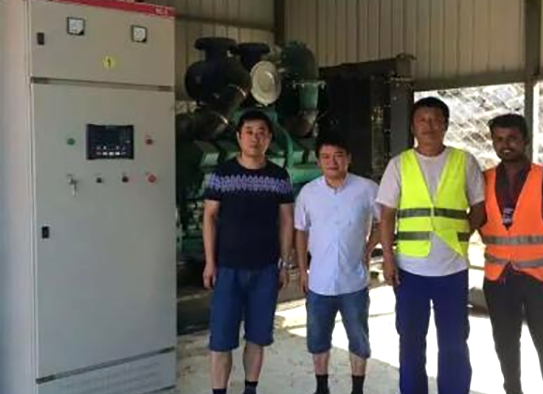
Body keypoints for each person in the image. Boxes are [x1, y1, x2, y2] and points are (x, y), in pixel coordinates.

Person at [377, 96, 485, 394]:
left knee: (454, 341)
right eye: (422, 120)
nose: (429, 125)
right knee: (411, 341)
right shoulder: (399, 164)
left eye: (436, 120)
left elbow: (479, 208)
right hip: (410, 271)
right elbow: (386, 215)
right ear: (413, 126)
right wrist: (388, 259)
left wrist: (459, 235)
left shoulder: (464, 161)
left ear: (446, 125)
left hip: (452, 269)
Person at [202, 110, 294, 394]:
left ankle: (250, 389)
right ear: (239, 137)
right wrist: (210, 263)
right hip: (227, 269)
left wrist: (284, 264)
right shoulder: (222, 174)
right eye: (249, 132)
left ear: (269, 139)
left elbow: (287, 221)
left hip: (265, 270)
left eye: (261, 132)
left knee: (257, 337)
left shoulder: (279, 177)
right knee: (221, 341)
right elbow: (209, 217)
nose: (255, 138)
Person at [480, 113, 543, 394]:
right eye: (499, 139)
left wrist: (537, 251)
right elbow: (480, 221)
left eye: (512, 138)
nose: (505, 144)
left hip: (538, 279)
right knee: (505, 346)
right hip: (498, 279)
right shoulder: (485, 179)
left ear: (525, 140)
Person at [295, 132, 380, 394]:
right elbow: (301, 231)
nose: (332, 162)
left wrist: (369, 248)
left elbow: (385, 221)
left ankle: (357, 389)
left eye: (338, 156)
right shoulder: (308, 193)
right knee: (318, 340)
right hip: (319, 282)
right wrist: (303, 270)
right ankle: (322, 388)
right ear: (318, 161)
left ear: (349, 159)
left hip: (354, 281)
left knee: (359, 339)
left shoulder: (367, 189)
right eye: (326, 157)